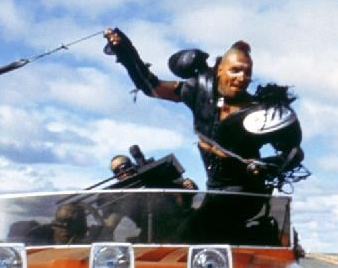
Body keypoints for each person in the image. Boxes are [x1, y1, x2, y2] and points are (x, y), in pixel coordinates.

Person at [103, 29, 304, 193]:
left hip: (247, 192)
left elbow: (294, 152)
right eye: (235, 70)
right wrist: (125, 51)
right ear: (220, 69)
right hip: (215, 189)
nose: (242, 77)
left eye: (247, 72)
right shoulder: (199, 92)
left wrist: (266, 165)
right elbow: (152, 87)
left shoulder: (261, 113)